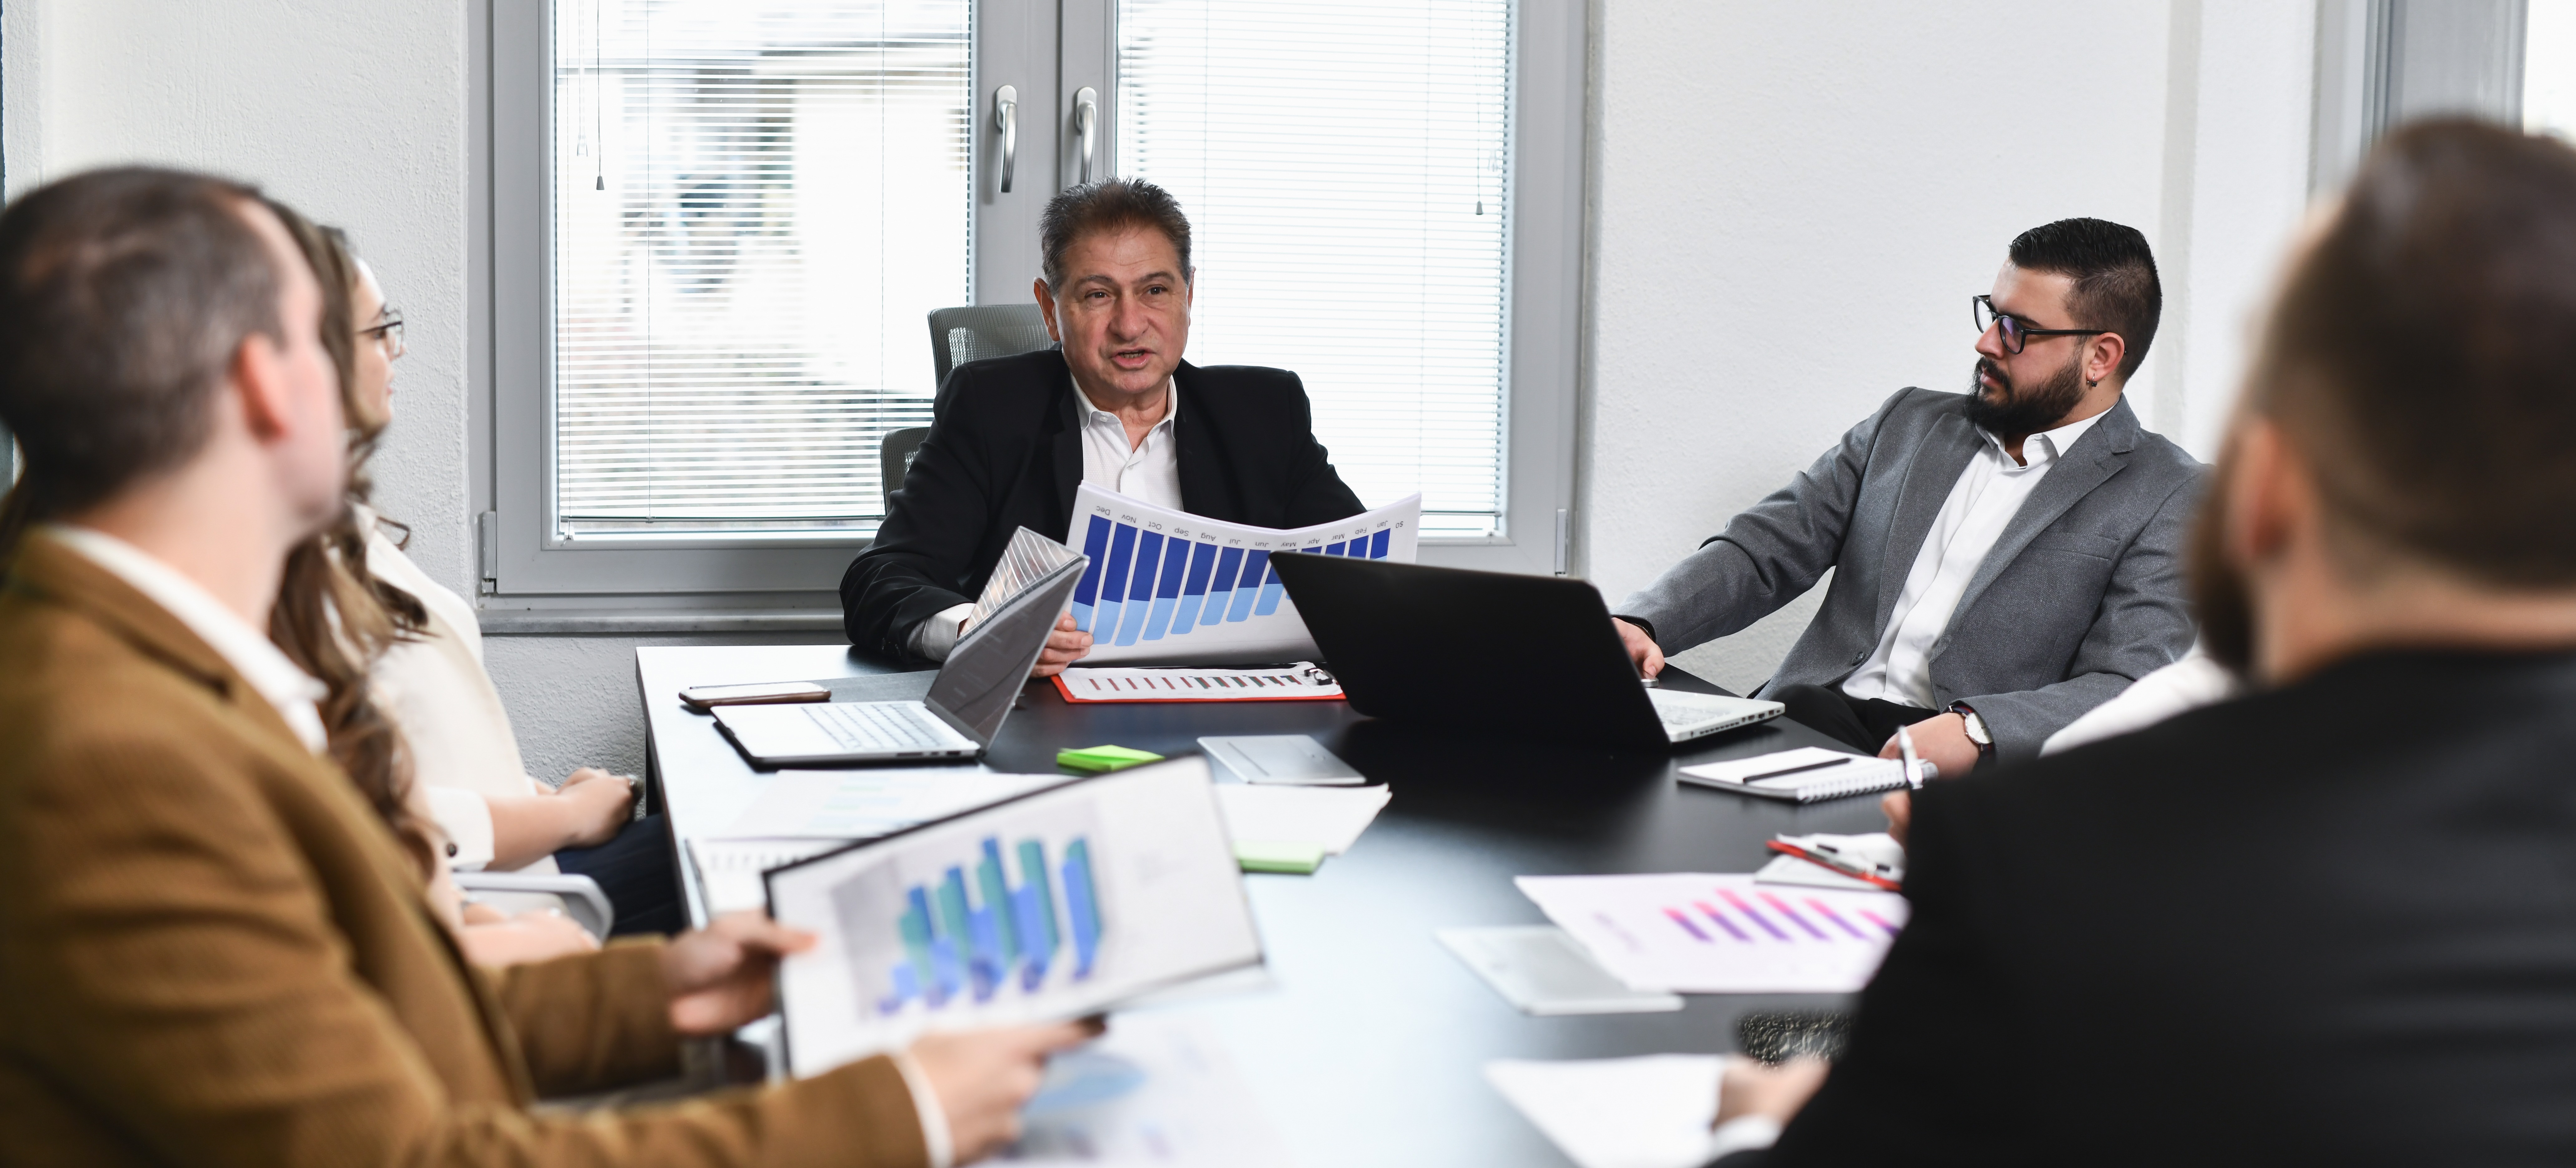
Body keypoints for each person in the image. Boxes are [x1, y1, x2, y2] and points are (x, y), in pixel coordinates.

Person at [0, 165, 1091, 1165]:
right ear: (263, 386)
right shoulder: (105, 757)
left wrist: (655, 995)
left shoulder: (170, 667)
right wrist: (898, 1113)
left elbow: (367, 1013)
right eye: (326, 340)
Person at [1706, 120, 2576, 1165]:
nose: (1988, 340)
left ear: (2260, 499)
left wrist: (1759, 1121)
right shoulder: (1911, 426)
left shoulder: (2043, 865)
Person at [1612, 219, 2203, 774]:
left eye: (2018, 329)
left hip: (1955, 769)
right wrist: (1644, 621)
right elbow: (1768, 546)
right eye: (1992, 314)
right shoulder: (1908, 423)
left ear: (2100, 356)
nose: (1986, 342)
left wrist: (1978, 731)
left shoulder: (2170, 492)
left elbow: (2127, 683)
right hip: (1809, 721)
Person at [841, 178, 1365, 674]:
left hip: (1224, 720)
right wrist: (981, 629)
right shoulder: (990, 409)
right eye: (1099, 294)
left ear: (1189, 295)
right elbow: (881, 582)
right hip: (1048, 729)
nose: (1130, 324)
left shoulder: (1263, 413)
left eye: (1156, 290)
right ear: (1051, 310)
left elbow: (1359, 576)